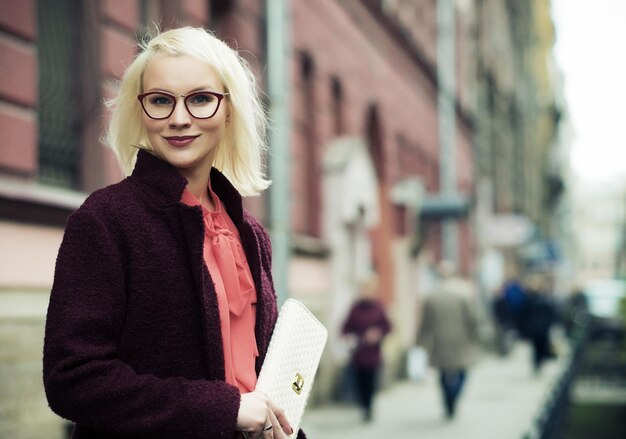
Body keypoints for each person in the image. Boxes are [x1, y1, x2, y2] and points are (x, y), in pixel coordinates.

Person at [43, 26, 298, 439]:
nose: (179, 119)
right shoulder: (105, 220)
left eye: (200, 99)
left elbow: (260, 379)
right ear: (141, 110)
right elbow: (72, 380)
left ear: (229, 110)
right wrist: (225, 408)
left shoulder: (250, 232)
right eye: (161, 100)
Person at [417, 260, 480, 419]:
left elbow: (425, 323)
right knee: (462, 371)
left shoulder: (432, 296)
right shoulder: (463, 294)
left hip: (440, 341)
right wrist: (474, 336)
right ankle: (454, 396)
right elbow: (472, 319)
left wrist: (420, 342)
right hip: (461, 340)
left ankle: (448, 401)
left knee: (444, 374)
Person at [341, 274, 391, 422]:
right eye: (363, 288)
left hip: (374, 355)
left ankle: (369, 407)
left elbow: (388, 326)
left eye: (368, 288)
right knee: (360, 383)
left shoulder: (379, 306)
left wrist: (378, 333)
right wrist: (350, 336)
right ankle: (364, 406)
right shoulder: (355, 308)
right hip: (358, 354)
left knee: (371, 383)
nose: (365, 291)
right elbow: (345, 328)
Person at [518, 273, 558, 374]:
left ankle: (540, 362)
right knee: (535, 347)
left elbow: (551, 312)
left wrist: (550, 324)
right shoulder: (528, 297)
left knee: (542, 346)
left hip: (543, 327)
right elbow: (524, 313)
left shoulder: (545, 296)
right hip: (534, 327)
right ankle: (536, 364)